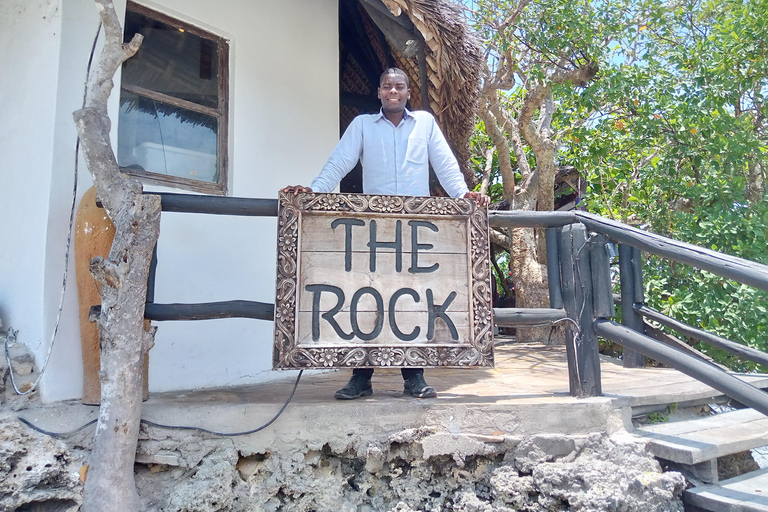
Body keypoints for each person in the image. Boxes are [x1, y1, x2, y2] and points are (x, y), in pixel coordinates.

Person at [283, 68, 490, 400]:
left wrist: (463, 195)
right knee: (368, 298)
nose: (393, 91)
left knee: (411, 300)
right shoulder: (363, 126)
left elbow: (445, 164)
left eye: (400, 86)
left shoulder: (425, 124)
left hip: (415, 229)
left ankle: (414, 379)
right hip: (374, 228)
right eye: (387, 86)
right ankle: (360, 378)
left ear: (408, 93)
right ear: (379, 92)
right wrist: (313, 191)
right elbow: (340, 163)